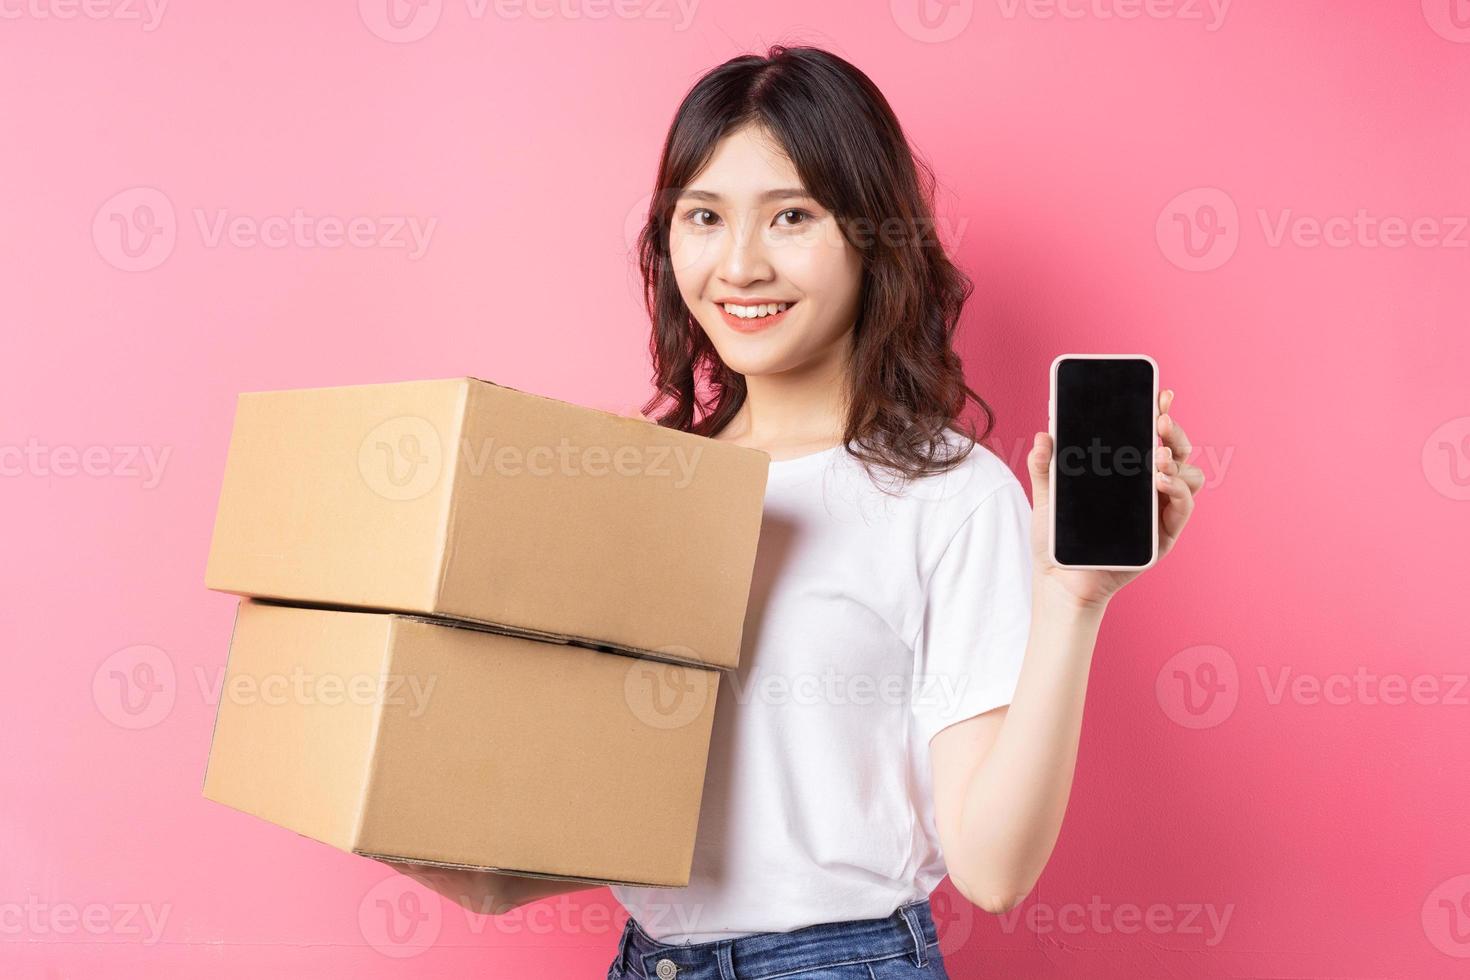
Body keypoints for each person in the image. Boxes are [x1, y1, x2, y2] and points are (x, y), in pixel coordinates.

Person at [386, 44, 1202, 979]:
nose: (740, 264)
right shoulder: (639, 481)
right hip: (649, 961)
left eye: (791, 217)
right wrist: (456, 838)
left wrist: (1074, 598)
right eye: (704, 217)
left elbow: (992, 868)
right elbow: (625, 813)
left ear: (872, 238)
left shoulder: (949, 495)